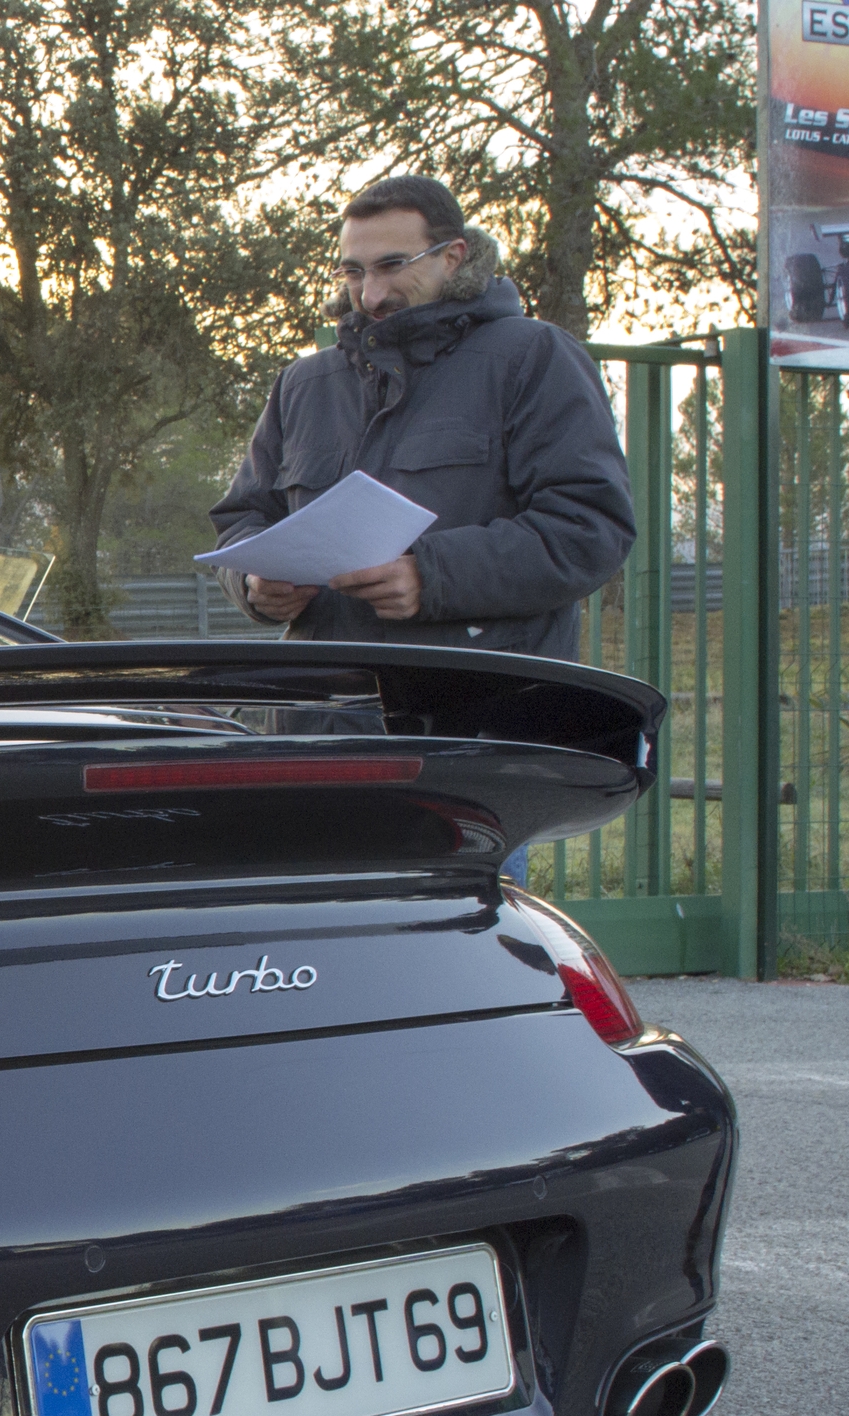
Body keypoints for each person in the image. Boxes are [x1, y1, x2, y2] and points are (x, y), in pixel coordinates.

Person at [211, 174, 635, 885]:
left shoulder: (533, 358)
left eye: (391, 266)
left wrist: (430, 576)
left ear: (453, 257)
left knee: (451, 944)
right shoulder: (304, 385)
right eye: (353, 271)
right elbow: (241, 520)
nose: (370, 294)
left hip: (466, 753)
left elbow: (590, 528)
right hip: (316, 740)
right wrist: (253, 583)